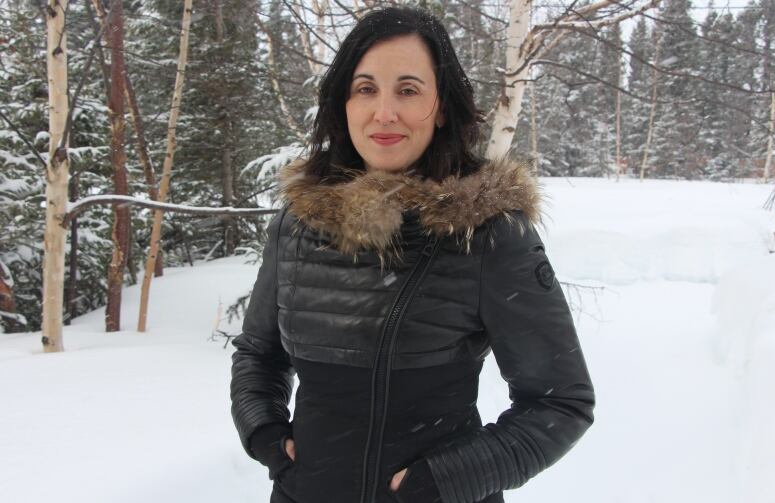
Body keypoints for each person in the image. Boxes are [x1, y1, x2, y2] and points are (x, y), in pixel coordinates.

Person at [230, 6, 595, 503]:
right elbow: (259, 354)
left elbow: (561, 402)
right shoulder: (296, 227)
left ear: (441, 106)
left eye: (408, 90)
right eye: (366, 89)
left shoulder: (488, 233)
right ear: (343, 104)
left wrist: (445, 479)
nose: (385, 113)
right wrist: (266, 432)